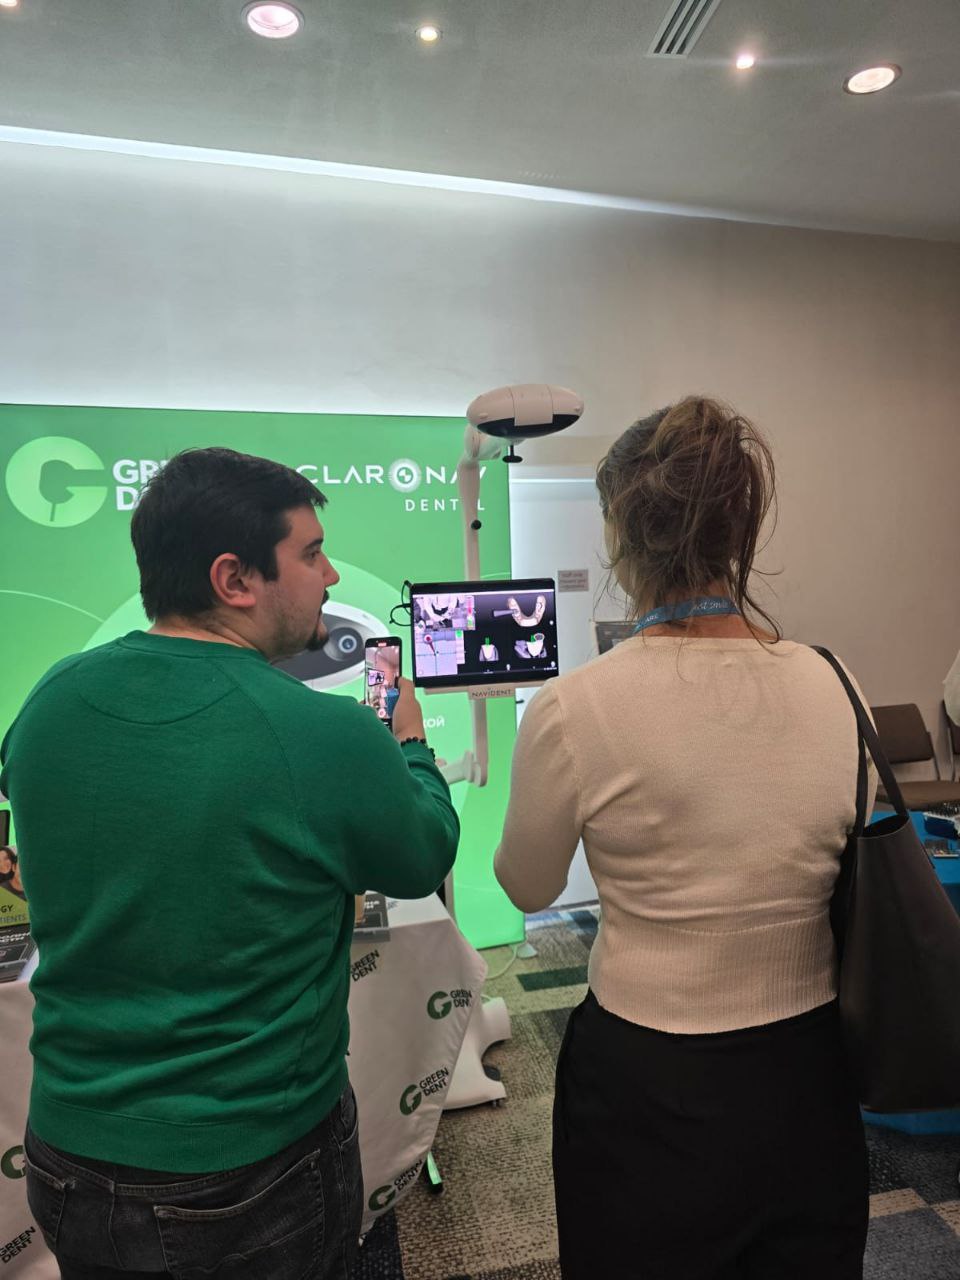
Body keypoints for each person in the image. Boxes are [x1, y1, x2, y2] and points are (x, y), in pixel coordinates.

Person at [0, 447, 459, 1280]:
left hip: (66, 1158)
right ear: (233, 579)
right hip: (249, 1174)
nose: (329, 577)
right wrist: (412, 746)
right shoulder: (325, 734)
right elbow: (422, 855)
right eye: (312, 554)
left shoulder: (51, 698)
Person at [494, 396, 876, 1280]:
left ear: (618, 532)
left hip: (646, 1078)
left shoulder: (574, 707)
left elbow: (527, 886)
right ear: (744, 526)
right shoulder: (835, 680)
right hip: (809, 1070)